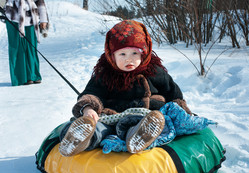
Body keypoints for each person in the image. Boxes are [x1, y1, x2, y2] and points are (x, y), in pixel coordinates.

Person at [59, 20, 193, 156]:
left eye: (134, 53)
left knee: (145, 124)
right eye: (122, 54)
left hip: (146, 117)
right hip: (112, 117)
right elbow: (92, 93)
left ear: (144, 53)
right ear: (112, 56)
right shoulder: (105, 74)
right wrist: (88, 108)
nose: (129, 59)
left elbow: (173, 94)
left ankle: (140, 136)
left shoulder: (155, 72)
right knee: (99, 128)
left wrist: (183, 112)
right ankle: (80, 138)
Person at [4, 0, 49, 86]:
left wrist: (43, 19)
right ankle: (20, 78)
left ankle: (33, 76)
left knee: (31, 48)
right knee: (16, 48)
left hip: (30, 18)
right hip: (12, 17)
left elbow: (40, 2)